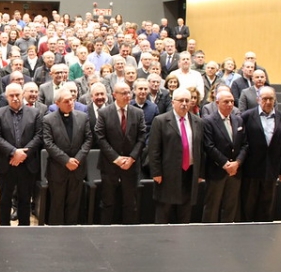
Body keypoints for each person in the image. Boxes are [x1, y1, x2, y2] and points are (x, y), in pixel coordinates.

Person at [0, 83, 44, 226]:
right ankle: (4, 228)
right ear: (6, 97)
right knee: (4, 199)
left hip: (27, 164)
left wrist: (23, 154)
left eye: (17, 95)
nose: (15, 98)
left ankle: (24, 229)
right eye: (11, 96)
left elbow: (39, 136)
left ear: (22, 95)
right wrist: (14, 152)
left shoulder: (35, 113)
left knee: (25, 199)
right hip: (6, 163)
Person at [150, 87, 204, 224]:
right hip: (167, 174)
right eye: (181, 100)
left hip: (189, 173)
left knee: (185, 214)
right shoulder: (160, 121)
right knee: (164, 212)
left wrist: (200, 173)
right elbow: (154, 149)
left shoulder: (198, 122)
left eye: (188, 100)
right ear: (173, 102)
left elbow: (201, 150)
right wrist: (156, 172)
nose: (185, 103)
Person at [95, 83, 147, 224]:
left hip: (131, 165)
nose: (127, 96)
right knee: (108, 202)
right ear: (114, 95)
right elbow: (100, 137)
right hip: (110, 166)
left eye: (129, 93)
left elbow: (142, 137)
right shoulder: (104, 113)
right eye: (123, 93)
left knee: (130, 203)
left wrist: (132, 158)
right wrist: (116, 158)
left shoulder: (138, 113)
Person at [42, 86, 93, 225]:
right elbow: (48, 143)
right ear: (57, 103)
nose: (70, 103)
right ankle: (57, 236)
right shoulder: (48, 119)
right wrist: (66, 160)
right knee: (57, 205)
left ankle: (72, 234)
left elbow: (88, 139)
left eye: (72, 100)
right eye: (66, 101)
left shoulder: (82, 117)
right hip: (58, 169)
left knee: (74, 204)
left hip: (77, 168)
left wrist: (77, 159)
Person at [240, 86, 281, 222]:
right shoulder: (247, 116)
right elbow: (242, 143)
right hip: (251, 169)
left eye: (270, 99)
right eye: (264, 98)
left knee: (267, 207)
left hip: (271, 170)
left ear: (275, 100)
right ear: (258, 100)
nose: (267, 102)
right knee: (248, 206)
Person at [201, 90, 247, 223]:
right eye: (226, 102)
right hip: (217, 171)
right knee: (212, 207)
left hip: (235, 172)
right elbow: (209, 146)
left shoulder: (238, 120)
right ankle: (209, 237)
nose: (230, 104)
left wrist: (237, 163)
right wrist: (225, 164)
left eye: (232, 101)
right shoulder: (208, 121)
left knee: (230, 207)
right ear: (217, 103)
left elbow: (245, 145)